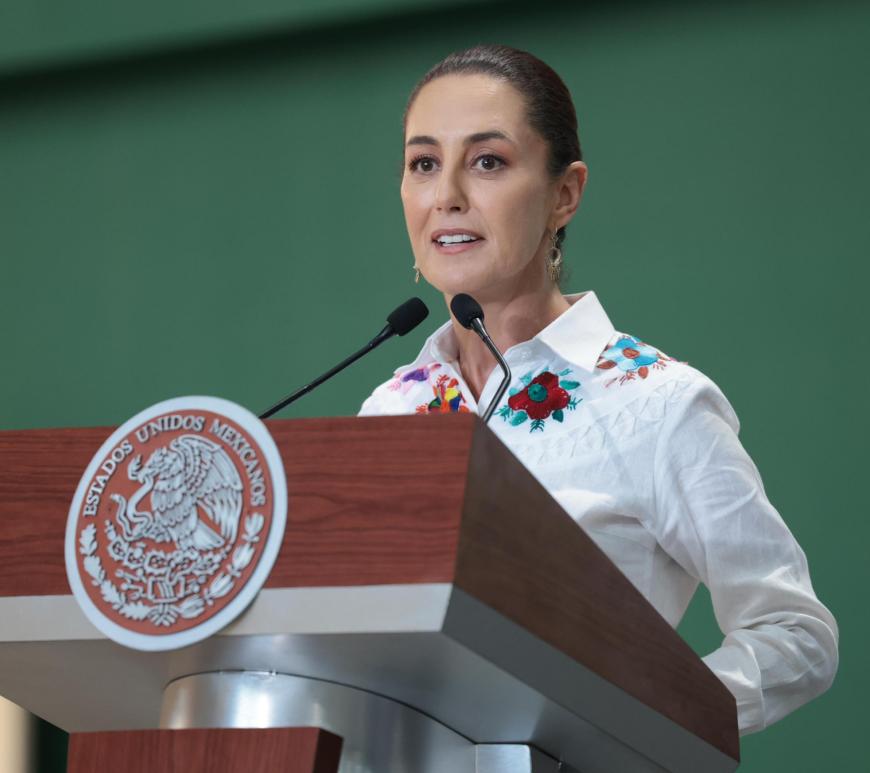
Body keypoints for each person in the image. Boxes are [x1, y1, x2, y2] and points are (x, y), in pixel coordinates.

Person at [358, 43, 838, 736]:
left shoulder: (659, 403)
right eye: (424, 164)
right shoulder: (390, 408)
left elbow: (796, 633)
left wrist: (638, 717)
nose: (447, 196)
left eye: (488, 161)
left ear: (565, 194)